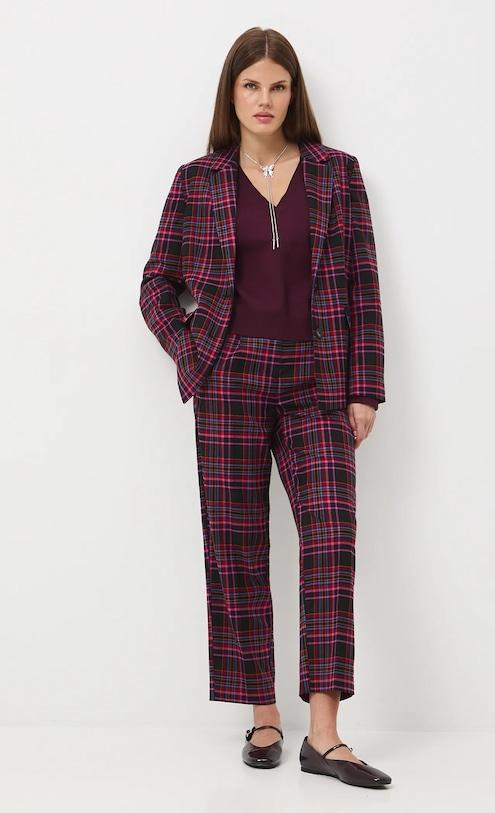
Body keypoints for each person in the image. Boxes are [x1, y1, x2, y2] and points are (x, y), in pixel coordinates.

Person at [139, 27, 391, 788]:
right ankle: (263, 716)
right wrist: (194, 353)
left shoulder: (338, 174)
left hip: (318, 380)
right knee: (238, 547)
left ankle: (325, 735)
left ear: (294, 94)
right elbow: (156, 285)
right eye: (251, 85)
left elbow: (362, 285)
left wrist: (363, 388)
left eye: (278, 86)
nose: (265, 99)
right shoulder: (198, 181)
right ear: (232, 93)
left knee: (331, 539)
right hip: (230, 381)